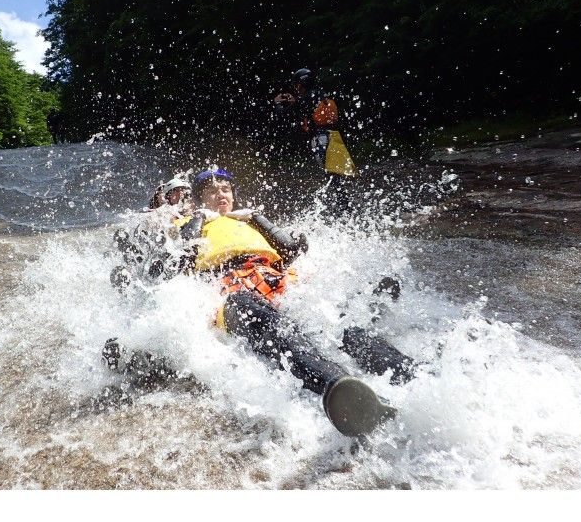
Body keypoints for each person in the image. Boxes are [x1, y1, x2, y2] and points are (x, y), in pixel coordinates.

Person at [108, 168, 415, 438]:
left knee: (339, 325)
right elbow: (176, 256)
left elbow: (292, 251)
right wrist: (198, 215)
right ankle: (339, 390)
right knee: (250, 309)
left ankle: (416, 380)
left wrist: (257, 218)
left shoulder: (250, 221)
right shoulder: (186, 223)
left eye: (225, 189)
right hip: (230, 291)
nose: (220, 194)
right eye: (212, 191)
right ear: (198, 200)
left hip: (276, 283)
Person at [273, 68, 358, 216]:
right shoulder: (321, 94)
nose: (296, 87)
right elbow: (307, 108)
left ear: (302, 83)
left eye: (297, 84)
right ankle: (343, 205)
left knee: (331, 174)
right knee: (334, 174)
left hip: (321, 140)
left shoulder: (306, 98)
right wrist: (295, 102)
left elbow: (284, 115)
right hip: (333, 137)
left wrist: (278, 103)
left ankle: (343, 208)